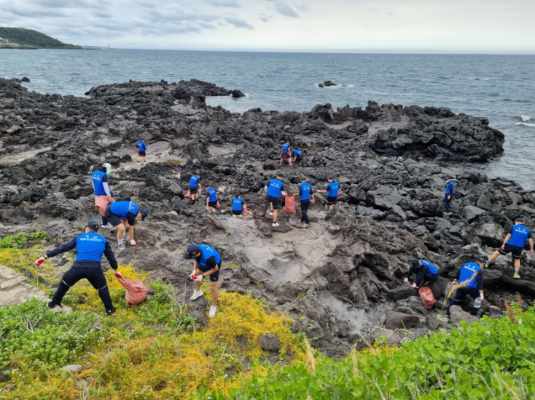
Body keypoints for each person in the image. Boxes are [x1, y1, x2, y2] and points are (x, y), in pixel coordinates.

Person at [34, 218, 118, 315]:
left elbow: (63, 248)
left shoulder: (79, 237)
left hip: (78, 267)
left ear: (87, 228)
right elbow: (110, 256)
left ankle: (54, 303)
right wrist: (115, 268)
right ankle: (110, 310)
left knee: (64, 283)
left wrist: (45, 256)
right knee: (102, 288)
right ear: (97, 230)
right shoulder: (103, 240)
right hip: (95, 269)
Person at [186, 243, 222, 318]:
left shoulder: (209, 258)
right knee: (196, 275)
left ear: (197, 253)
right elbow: (196, 260)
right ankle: (198, 292)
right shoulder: (197, 249)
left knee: (213, 287)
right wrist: (194, 270)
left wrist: (203, 275)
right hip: (203, 260)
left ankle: (214, 306)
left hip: (215, 264)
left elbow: (215, 269)